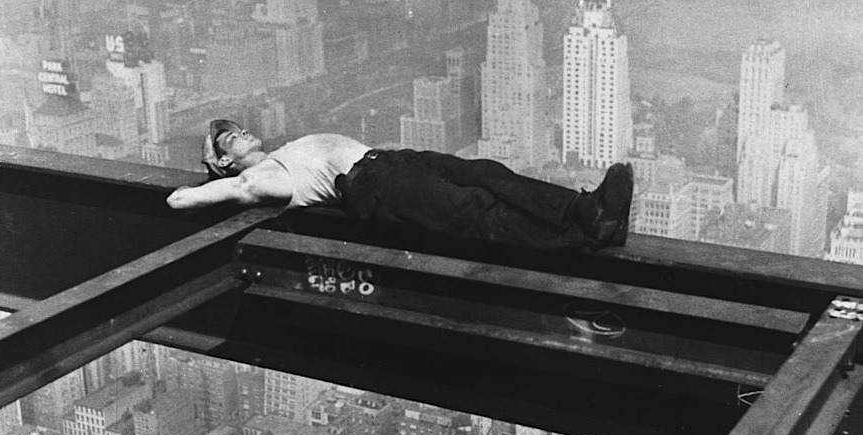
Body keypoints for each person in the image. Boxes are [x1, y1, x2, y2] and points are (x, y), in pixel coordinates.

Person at [167, 119, 633, 251]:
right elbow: (186, 199)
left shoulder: (278, 155)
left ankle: (587, 210)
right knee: (473, 208)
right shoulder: (258, 179)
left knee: (487, 173)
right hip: (371, 184)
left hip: (388, 162)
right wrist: (204, 182)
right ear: (226, 162)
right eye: (227, 138)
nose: (239, 131)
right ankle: (582, 237)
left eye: (233, 128)